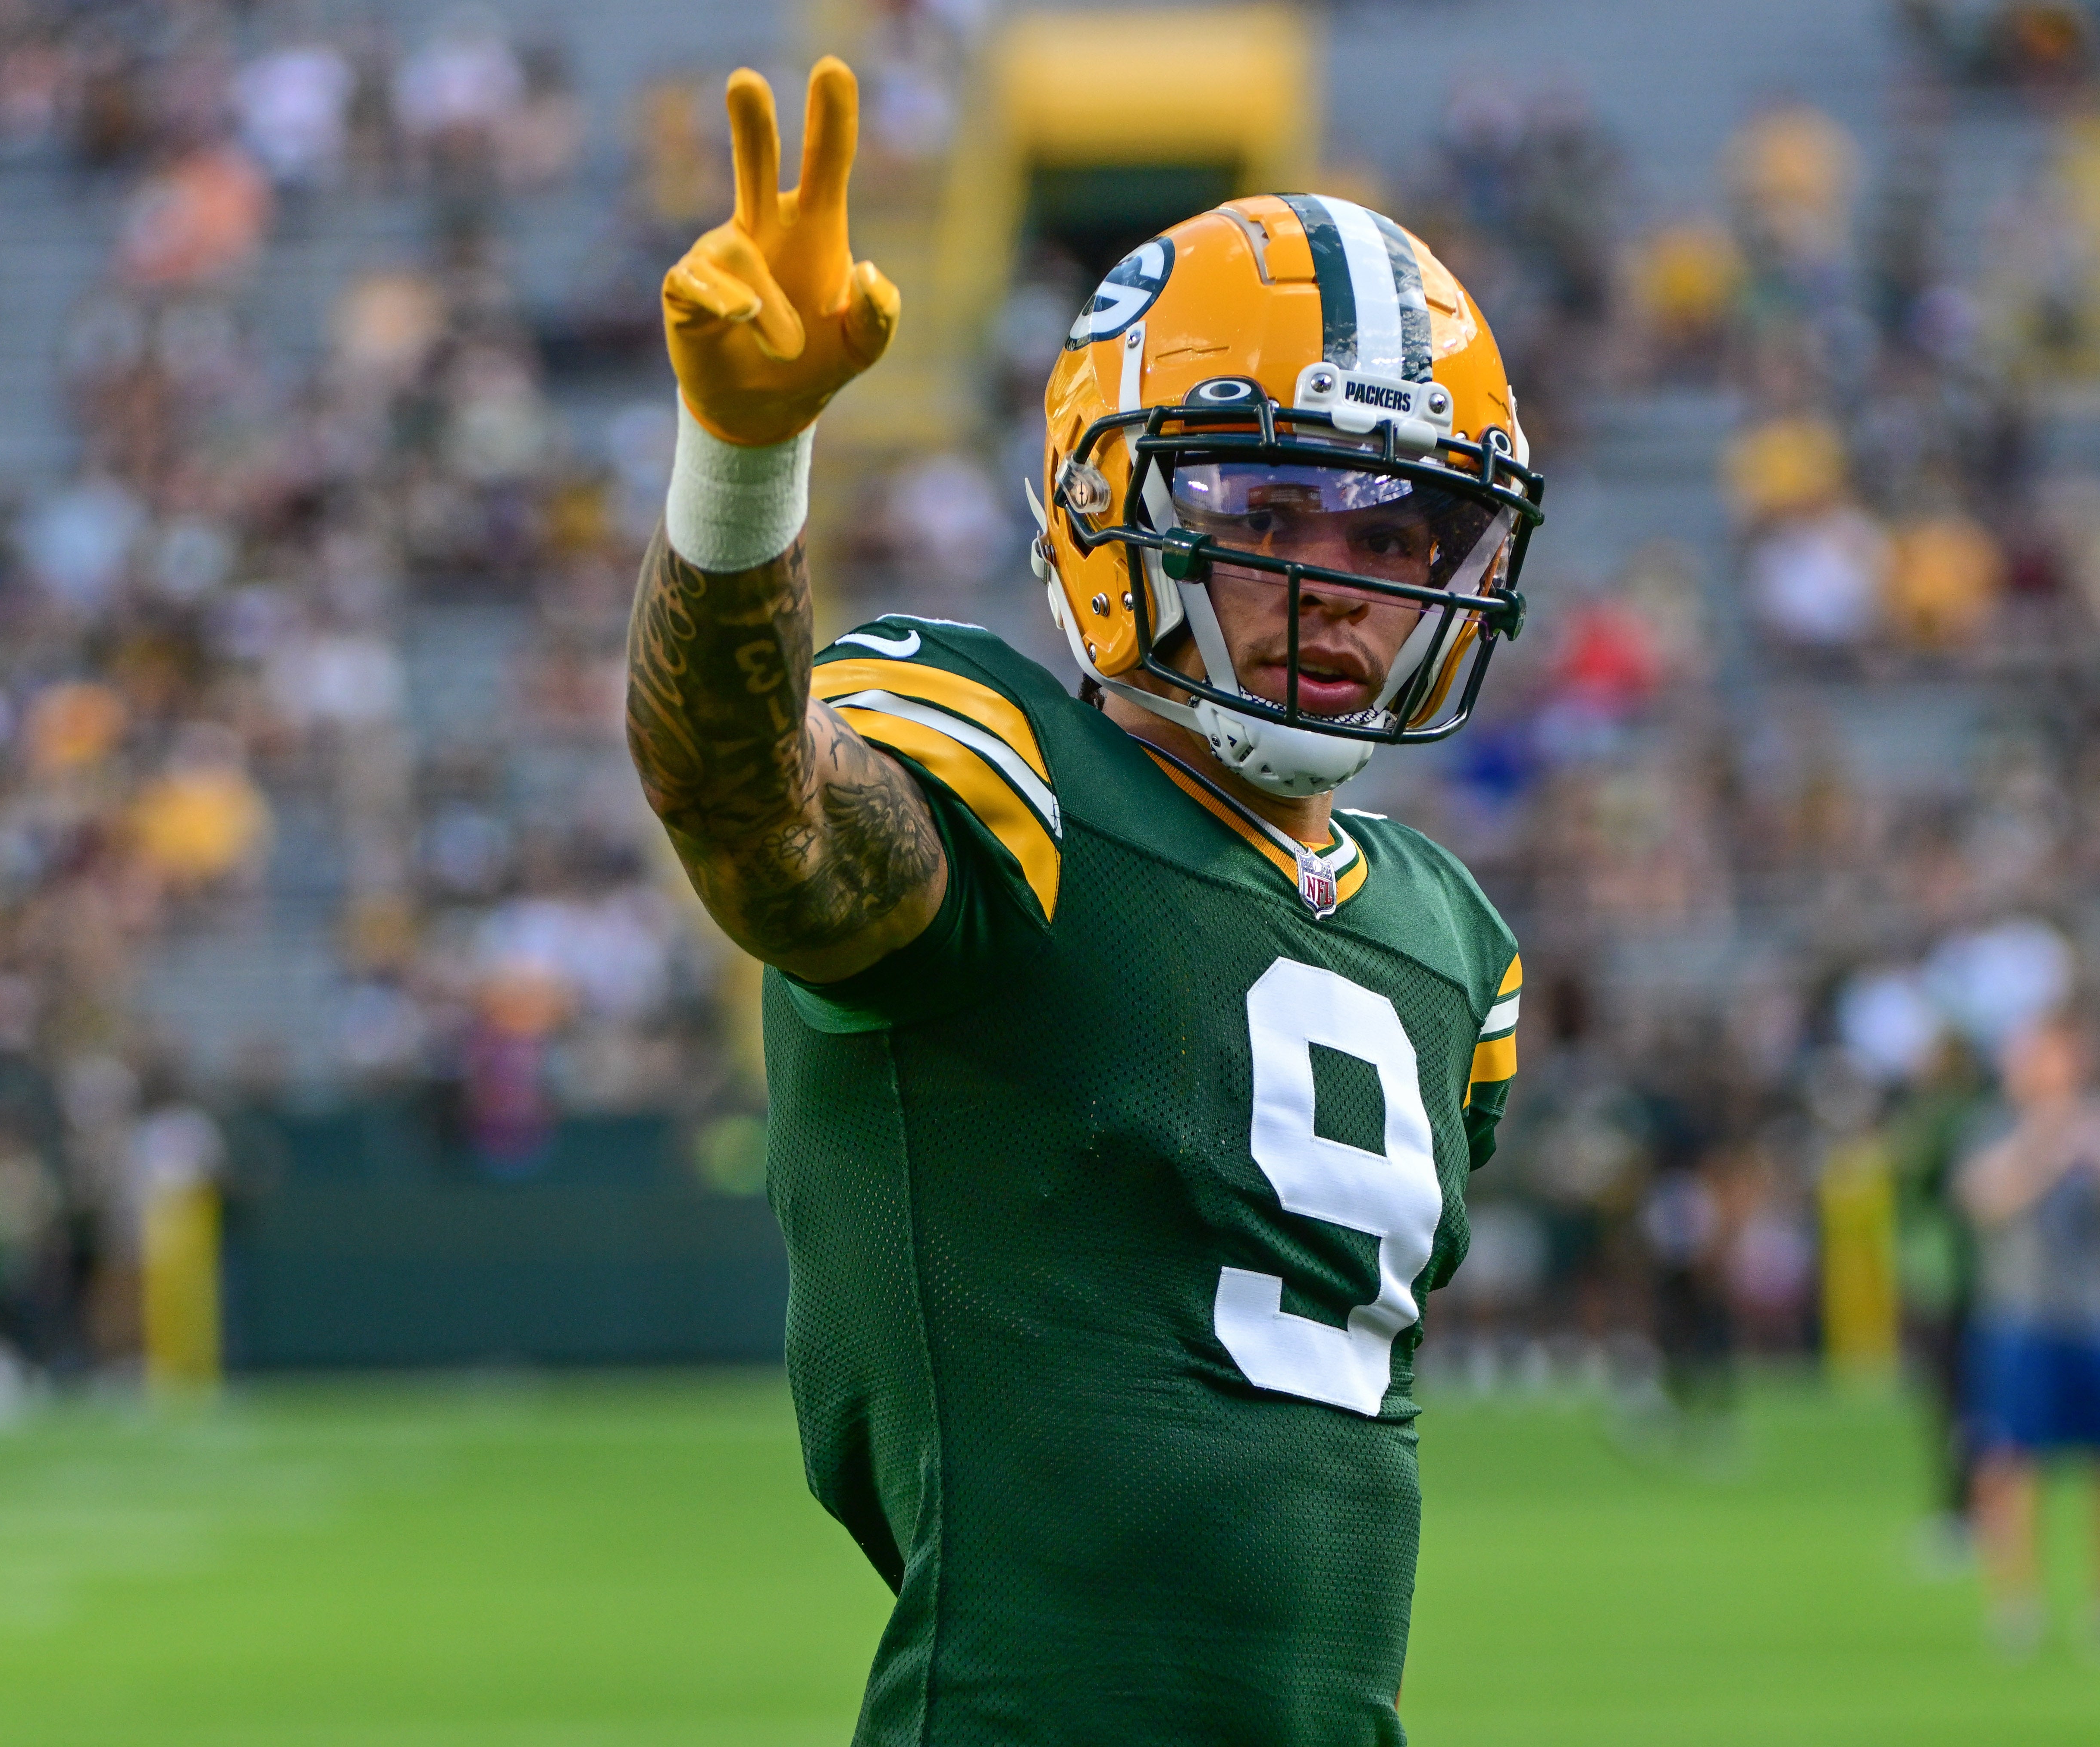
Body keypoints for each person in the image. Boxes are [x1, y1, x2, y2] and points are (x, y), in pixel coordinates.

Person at [627, 60, 1542, 1744]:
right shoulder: (1011, 782)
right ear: (1107, 501)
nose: (1338, 579)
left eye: (1404, 530)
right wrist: (744, 468)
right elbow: (756, 814)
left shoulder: (1447, 944)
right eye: (1269, 508)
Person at [1958, 1010, 2100, 1651]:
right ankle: (2015, 1603)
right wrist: (2045, 1151)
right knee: (2009, 1458)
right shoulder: (1992, 1131)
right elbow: (1986, 1203)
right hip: (2021, 1313)